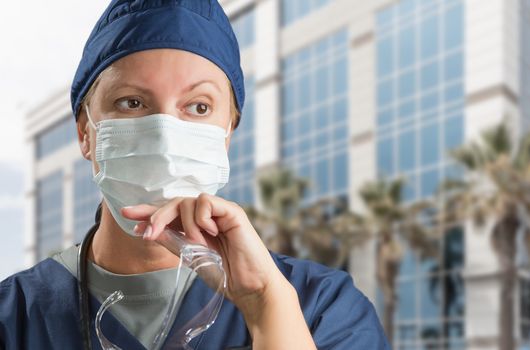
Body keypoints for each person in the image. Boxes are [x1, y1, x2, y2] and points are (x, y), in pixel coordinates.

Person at [0, 1, 389, 349]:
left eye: (198, 107)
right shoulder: (12, 317)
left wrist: (267, 305)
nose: (164, 132)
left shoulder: (323, 309)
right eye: (132, 102)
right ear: (86, 133)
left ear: (226, 136)